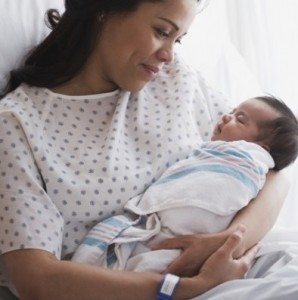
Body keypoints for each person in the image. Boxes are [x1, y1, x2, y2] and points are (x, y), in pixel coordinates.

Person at [0, 1, 289, 299]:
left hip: (239, 267)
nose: (168, 54)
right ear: (104, 10)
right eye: (161, 31)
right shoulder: (18, 125)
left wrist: (228, 242)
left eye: (178, 40)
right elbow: (37, 277)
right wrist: (186, 288)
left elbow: (273, 174)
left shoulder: (176, 79)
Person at [71, 95, 298, 273]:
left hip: (188, 234)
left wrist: (225, 241)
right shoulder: (215, 151)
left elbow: (273, 180)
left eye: (240, 119)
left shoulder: (246, 160)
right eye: (232, 111)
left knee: (155, 264)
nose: (227, 116)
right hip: (159, 231)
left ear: (261, 149)